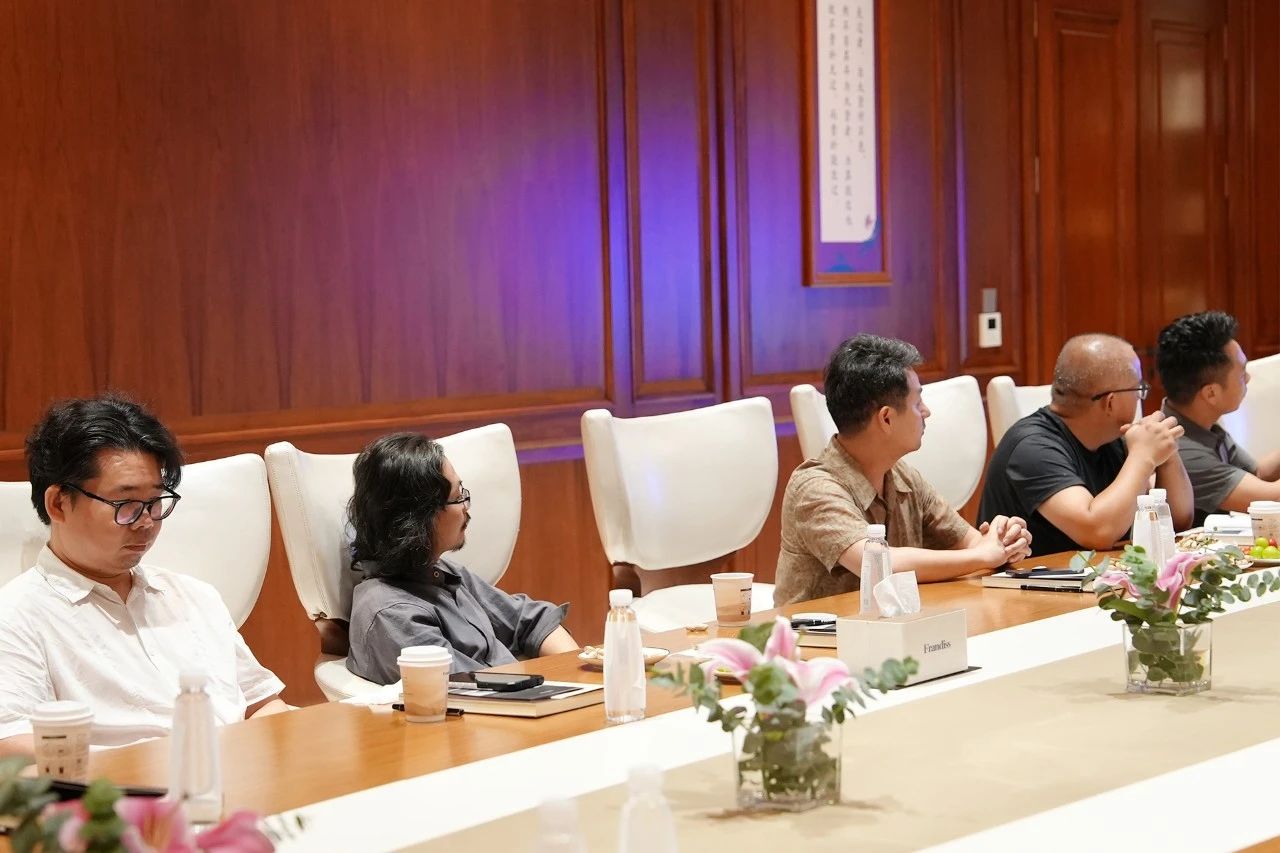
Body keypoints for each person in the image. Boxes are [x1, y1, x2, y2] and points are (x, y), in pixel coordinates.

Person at [0, 395, 288, 757]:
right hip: (123, 789)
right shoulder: (16, 618)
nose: (147, 522)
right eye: (126, 505)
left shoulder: (193, 596)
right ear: (58, 503)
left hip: (242, 774)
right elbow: (11, 744)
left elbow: (263, 704)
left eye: (154, 502)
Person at [774, 335, 1033, 607]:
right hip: (817, 633)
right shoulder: (814, 487)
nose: (926, 412)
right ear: (886, 418)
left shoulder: (903, 477)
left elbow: (973, 543)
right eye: (917, 402)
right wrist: (983, 555)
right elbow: (879, 564)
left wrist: (1004, 541)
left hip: (895, 628)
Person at [345, 432, 578, 683]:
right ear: (419, 517)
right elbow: (470, 690)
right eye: (457, 497)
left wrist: (578, 674)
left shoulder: (441, 573)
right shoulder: (392, 613)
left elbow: (532, 622)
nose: (466, 506)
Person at [980, 333, 1194, 556]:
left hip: (1094, 573)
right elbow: (1097, 531)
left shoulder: (1113, 441)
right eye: (1138, 389)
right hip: (1033, 577)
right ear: (1110, 402)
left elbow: (1176, 521)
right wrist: (1144, 456)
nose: (1140, 397)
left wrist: (1166, 452)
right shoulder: (1031, 449)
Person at [1157, 311, 1280, 523]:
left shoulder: (1199, 423)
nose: (1248, 378)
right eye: (1241, 373)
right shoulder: (1180, 447)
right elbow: (1270, 501)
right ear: (1211, 393)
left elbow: (1256, 473)